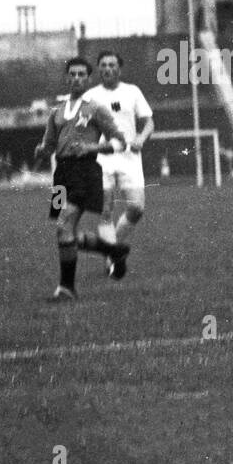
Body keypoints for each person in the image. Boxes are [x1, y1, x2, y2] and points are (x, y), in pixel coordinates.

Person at [35, 57, 133, 300]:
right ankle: (113, 250)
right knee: (65, 233)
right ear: (67, 77)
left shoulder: (96, 108)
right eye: (73, 74)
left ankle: (66, 289)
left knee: (64, 227)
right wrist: (41, 151)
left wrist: (92, 148)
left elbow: (120, 141)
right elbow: (49, 145)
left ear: (88, 79)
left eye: (81, 74)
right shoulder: (56, 112)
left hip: (84, 171)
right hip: (61, 174)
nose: (77, 78)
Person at [83, 50, 154, 276]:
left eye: (112, 64)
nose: (107, 68)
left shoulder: (132, 91)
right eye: (103, 65)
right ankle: (112, 260)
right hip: (102, 159)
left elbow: (149, 121)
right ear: (99, 69)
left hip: (129, 159)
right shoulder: (91, 96)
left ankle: (111, 249)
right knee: (105, 212)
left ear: (119, 69)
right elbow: (82, 127)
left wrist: (141, 139)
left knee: (136, 207)